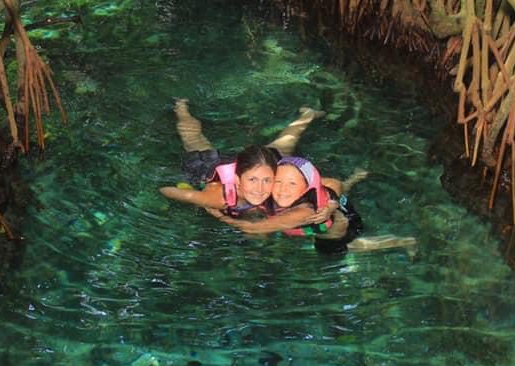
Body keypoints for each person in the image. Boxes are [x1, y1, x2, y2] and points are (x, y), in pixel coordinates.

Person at [210, 156, 417, 255]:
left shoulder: (305, 210)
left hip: (340, 227)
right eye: (277, 181)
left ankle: (402, 242)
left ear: (306, 187)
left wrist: (218, 215)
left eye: (291, 183)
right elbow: (335, 185)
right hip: (334, 207)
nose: (281, 189)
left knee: (333, 251)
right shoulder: (304, 185)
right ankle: (354, 179)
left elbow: (252, 228)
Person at [159, 100, 330, 220]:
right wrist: (201, 201)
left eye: (267, 181)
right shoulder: (219, 198)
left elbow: (330, 186)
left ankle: (307, 115)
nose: (260, 189)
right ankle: (181, 108)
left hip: (259, 164)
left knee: (284, 145)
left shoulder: (277, 180)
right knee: (193, 139)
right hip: (211, 166)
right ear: (237, 180)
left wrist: (329, 206)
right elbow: (167, 190)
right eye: (253, 181)